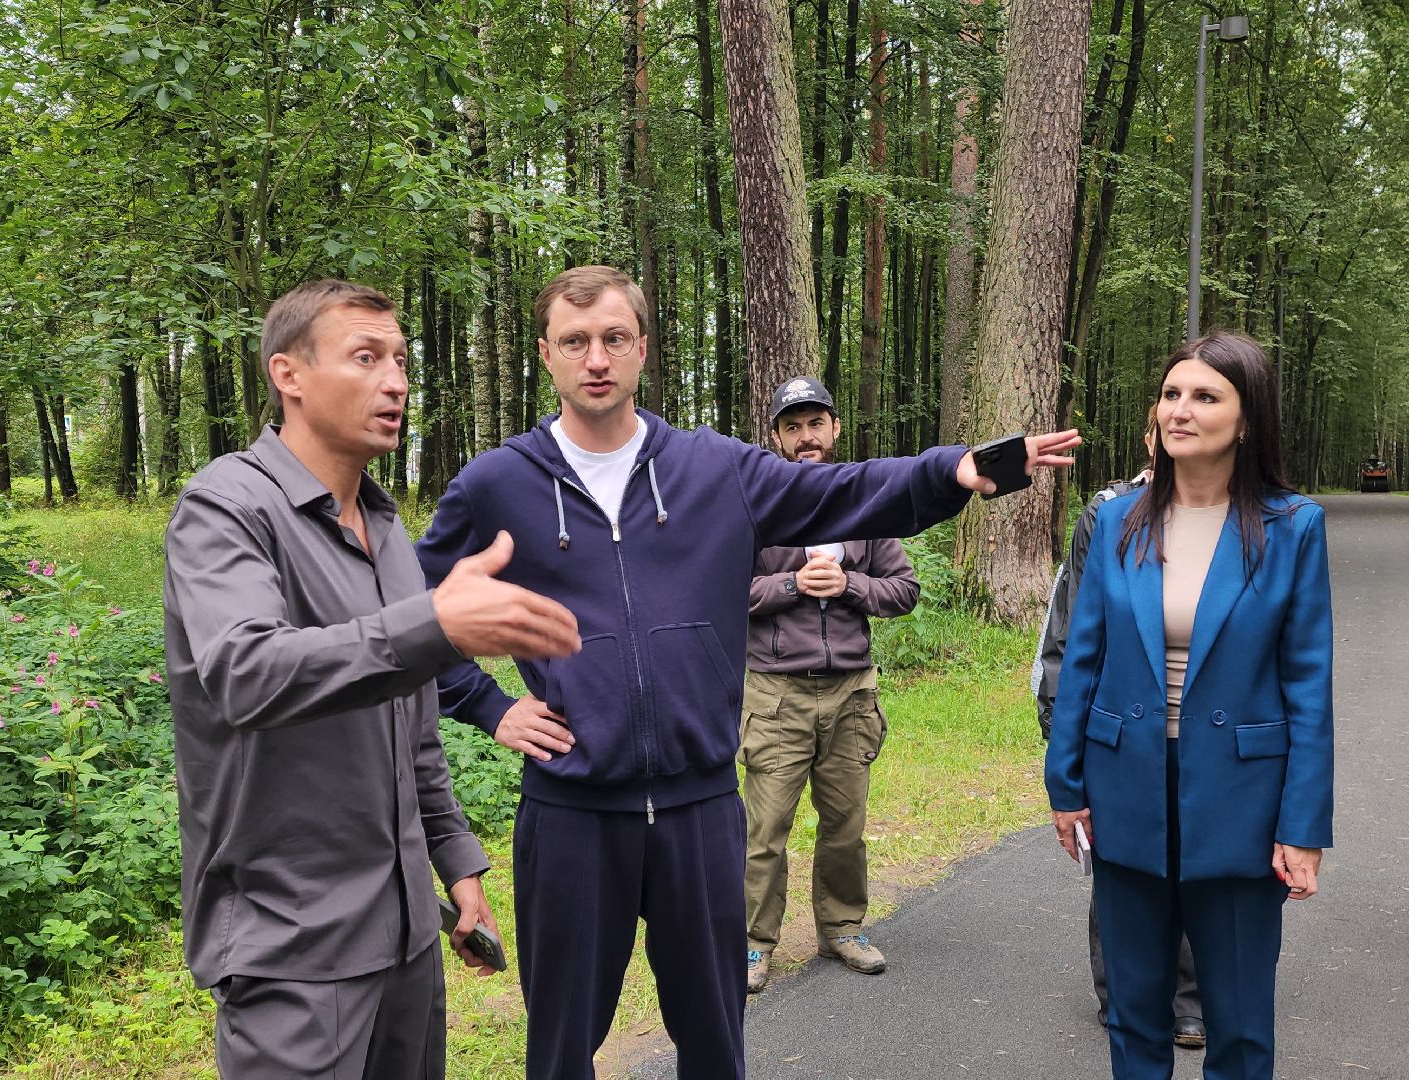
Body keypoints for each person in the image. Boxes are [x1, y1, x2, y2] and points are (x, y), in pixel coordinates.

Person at [417, 264, 1079, 1079]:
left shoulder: (713, 469)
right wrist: (488, 706)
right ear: (546, 355)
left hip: (700, 809)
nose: (596, 358)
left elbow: (840, 491)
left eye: (615, 338)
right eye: (575, 341)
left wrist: (955, 471)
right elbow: (410, 611)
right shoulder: (497, 486)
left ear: (643, 349)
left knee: (714, 1041)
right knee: (560, 1048)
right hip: (572, 814)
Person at [164, 279, 582, 1079]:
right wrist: (435, 625)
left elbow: (412, 730)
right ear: (288, 373)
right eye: (366, 358)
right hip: (291, 948)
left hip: (408, 939)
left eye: (401, 361)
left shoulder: (387, 530)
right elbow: (247, 674)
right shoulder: (226, 507)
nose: (395, 382)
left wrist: (458, 865)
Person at [1046, 330, 1333, 1080]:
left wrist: (1302, 827)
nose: (1180, 409)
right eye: (1171, 394)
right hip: (1125, 787)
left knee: (1239, 1026)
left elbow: (1308, 685)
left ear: (1247, 420)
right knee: (1133, 1015)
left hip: (1242, 799)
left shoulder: (1293, 527)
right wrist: (1064, 785)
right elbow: (1083, 659)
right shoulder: (1117, 521)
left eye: (1205, 396)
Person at [1035, 410, 1207, 1049]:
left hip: (1201, 723)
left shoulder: (1244, 518)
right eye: (1165, 418)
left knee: (1197, 854)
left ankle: (1189, 1000)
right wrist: (1062, 725)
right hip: (1119, 721)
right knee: (1122, 857)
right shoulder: (1108, 514)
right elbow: (1071, 624)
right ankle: (1124, 994)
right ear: (1149, 439)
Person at [743, 375, 919, 990]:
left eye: (815, 423)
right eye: (792, 427)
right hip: (776, 694)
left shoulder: (864, 506)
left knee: (845, 824)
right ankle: (753, 943)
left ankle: (842, 928)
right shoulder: (756, 506)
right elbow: (721, 590)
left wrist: (851, 585)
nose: (805, 437)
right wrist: (791, 584)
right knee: (765, 830)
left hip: (851, 691)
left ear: (835, 428)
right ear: (776, 437)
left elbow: (904, 590)